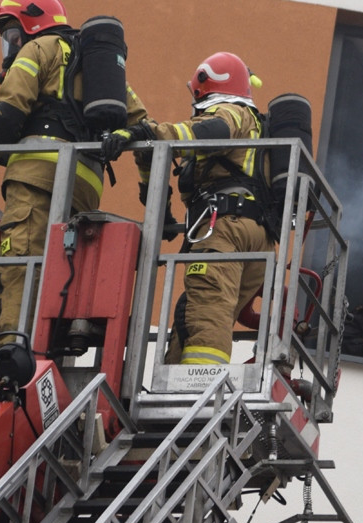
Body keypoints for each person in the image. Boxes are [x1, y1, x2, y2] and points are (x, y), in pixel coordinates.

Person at [0, 0, 150, 346]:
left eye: (11, 34)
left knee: (19, 267)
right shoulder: (101, 71)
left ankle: (13, 354)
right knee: (61, 273)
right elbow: (145, 131)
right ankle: (49, 348)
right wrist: (151, 191)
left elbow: (8, 114)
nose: (10, 46)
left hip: (36, 179)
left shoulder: (39, 48)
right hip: (84, 192)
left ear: (32, 26)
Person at [100, 51, 271, 365]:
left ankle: (198, 391)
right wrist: (161, 210)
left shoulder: (229, 110)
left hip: (225, 228)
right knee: (191, 314)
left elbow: (209, 134)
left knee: (207, 313)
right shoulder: (256, 126)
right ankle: (175, 381)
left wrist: (149, 133)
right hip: (253, 234)